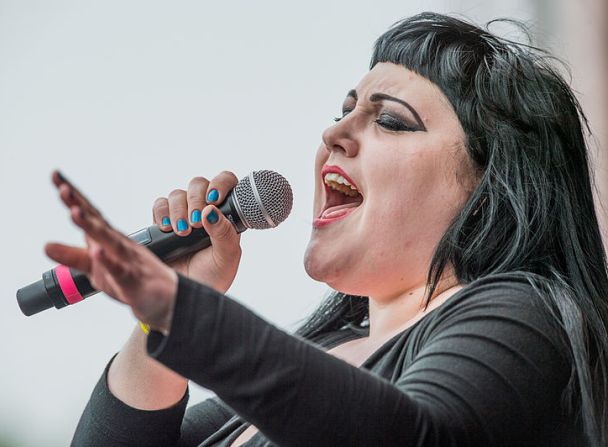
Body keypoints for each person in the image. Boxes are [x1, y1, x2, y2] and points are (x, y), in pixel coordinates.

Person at [44, 12, 608, 447]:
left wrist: (188, 315)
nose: (334, 132)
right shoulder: (325, 353)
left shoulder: (527, 316)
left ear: (491, 188)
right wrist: (171, 307)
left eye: (390, 121)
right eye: (344, 111)